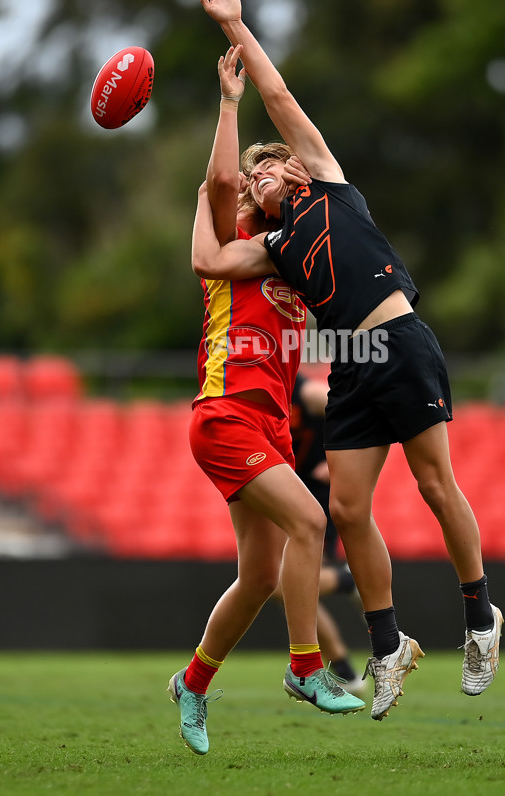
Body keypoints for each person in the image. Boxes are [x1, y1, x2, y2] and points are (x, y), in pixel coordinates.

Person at [195, 0, 504, 722]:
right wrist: (209, 190)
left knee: (435, 486)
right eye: (257, 177)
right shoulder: (272, 250)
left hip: (398, 339)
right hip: (353, 369)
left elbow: (279, 94)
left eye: (271, 166)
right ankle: (389, 645)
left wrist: (234, 25)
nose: (264, 176)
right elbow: (208, 257)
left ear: (298, 168)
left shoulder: (330, 181)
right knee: (351, 512)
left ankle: (479, 617)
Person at [167, 46, 365, 757]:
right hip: (224, 415)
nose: (250, 179)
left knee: (257, 579)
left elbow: (325, 222)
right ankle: (307, 668)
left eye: (267, 168)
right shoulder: (234, 237)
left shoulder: (289, 248)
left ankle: (193, 682)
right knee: (311, 521)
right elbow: (220, 179)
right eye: (250, 173)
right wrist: (228, 100)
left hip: (271, 425)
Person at [279, 369, 367, 695]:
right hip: (286, 498)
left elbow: (357, 412)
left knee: (286, 585)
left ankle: (349, 581)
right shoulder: (266, 393)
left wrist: (337, 463)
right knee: (296, 593)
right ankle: (344, 671)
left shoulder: (305, 392)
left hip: (314, 502)